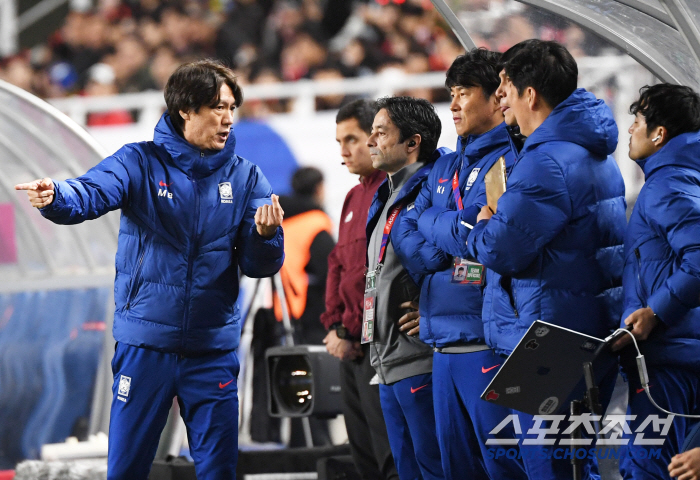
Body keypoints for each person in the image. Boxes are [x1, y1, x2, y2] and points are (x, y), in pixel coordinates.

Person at [15, 60, 284, 480]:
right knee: (125, 472)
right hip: (145, 347)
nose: (228, 118)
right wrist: (56, 196)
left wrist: (266, 236)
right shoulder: (139, 161)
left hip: (211, 351)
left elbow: (259, 266)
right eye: (217, 107)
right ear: (185, 110)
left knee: (219, 472)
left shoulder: (248, 178)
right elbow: (90, 192)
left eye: (232, 107)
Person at [465, 40, 627, 480]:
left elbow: (502, 249)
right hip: (585, 327)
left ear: (530, 95)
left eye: (506, 88)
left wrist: (480, 223)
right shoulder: (592, 152)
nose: (502, 98)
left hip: (552, 336)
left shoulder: (545, 160)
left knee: (549, 467)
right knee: (575, 462)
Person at [392, 49, 526, 480]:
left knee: (503, 468)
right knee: (454, 471)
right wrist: (447, 230)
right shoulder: (445, 164)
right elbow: (407, 229)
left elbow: (480, 242)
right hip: (441, 348)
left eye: (464, 93)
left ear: (495, 98)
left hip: (485, 342)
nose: (452, 104)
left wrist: (435, 224)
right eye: (451, 92)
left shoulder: (509, 159)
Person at [613, 84, 700, 479]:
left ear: (659, 134)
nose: (630, 129)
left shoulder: (667, 184)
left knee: (651, 470)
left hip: (671, 364)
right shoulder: (680, 178)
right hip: (678, 356)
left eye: (637, 121)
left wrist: (654, 312)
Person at [365, 96, 446, 480]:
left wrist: (435, 309)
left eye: (380, 132)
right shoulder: (387, 196)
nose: (370, 141)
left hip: (420, 358)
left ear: (412, 143)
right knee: (407, 472)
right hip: (387, 362)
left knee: (436, 468)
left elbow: (470, 264)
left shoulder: (436, 190)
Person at [320, 99, 398, 480]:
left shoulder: (392, 191)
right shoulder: (353, 197)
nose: (344, 151)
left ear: (375, 136)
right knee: (363, 455)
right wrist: (336, 328)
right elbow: (339, 266)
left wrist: (350, 331)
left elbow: (377, 274)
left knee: (390, 457)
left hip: (378, 344)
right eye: (339, 142)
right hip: (349, 347)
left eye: (351, 139)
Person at [276, 166, 335, 346]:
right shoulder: (316, 222)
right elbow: (331, 272)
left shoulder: (279, 221)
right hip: (311, 315)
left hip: (280, 309)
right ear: (318, 188)